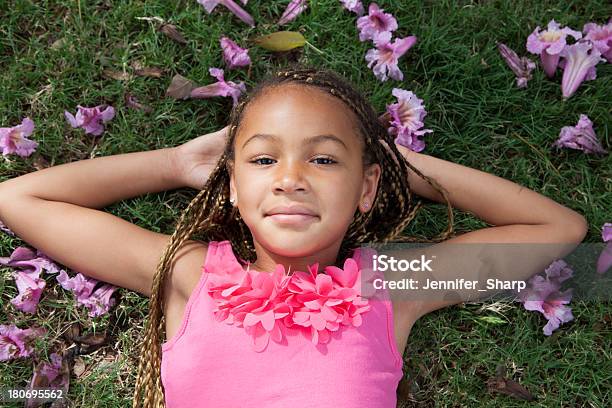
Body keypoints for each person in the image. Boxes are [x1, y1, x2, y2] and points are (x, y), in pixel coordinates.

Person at [0, 66, 587, 408]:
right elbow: (17, 198)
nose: (290, 179)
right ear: (231, 184)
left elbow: (559, 230)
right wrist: (176, 163)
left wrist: (401, 167)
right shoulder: (188, 273)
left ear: (365, 188)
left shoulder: (391, 286)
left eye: (326, 161)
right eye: (262, 160)